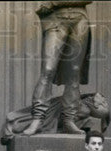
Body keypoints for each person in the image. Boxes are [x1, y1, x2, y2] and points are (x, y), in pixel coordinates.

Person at [23, 1, 92, 135]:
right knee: (48, 69)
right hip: (56, 19)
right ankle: (38, 118)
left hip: (79, 18)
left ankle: (69, 120)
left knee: (74, 72)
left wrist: (54, 2)